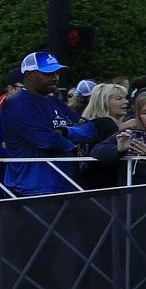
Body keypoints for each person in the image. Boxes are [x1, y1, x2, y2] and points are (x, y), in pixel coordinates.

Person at [4, 52, 107, 196]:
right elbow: (49, 141)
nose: (55, 77)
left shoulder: (55, 102)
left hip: (63, 184)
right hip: (30, 190)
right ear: (29, 75)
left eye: (56, 72)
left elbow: (90, 131)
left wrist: (65, 131)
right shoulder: (16, 105)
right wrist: (72, 141)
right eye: (48, 73)